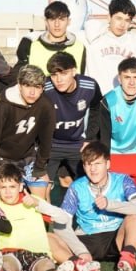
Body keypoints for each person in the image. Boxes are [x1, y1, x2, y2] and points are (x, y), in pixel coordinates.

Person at [0, 162, 92, 271]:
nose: (8, 192)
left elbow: (64, 218)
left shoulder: (32, 201)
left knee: (46, 265)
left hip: (38, 253)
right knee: (8, 265)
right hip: (10, 252)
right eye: (3, 187)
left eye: (12, 187)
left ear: (20, 187)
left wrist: (39, 204)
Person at [61, 141, 136, 271]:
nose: (93, 169)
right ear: (84, 167)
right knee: (51, 237)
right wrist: (80, 250)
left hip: (116, 237)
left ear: (107, 164)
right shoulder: (76, 187)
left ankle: (127, 260)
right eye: (89, 164)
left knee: (134, 216)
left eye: (98, 164)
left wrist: (110, 204)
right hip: (87, 239)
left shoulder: (123, 180)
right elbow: (62, 222)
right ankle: (80, 263)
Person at [0, 64, 55, 197]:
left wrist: (40, 167)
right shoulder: (3, 107)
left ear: (42, 88)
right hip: (0, 158)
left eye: (37, 87)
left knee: (43, 194)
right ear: (19, 85)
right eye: (27, 86)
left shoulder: (46, 106)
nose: (32, 92)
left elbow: (46, 139)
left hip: (26, 157)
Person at [42, 51, 103, 200]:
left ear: (74, 71)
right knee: (42, 188)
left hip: (77, 144)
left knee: (87, 187)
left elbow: (97, 109)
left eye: (63, 73)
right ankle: (47, 222)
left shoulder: (89, 86)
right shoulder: (45, 88)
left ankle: (81, 221)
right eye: (54, 75)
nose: (58, 79)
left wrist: (90, 139)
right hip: (52, 144)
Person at [90, 57, 136, 197]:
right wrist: (106, 164)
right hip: (115, 153)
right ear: (119, 79)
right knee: (113, 194)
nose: (131, 82)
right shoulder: (108, 101)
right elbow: (105, 138)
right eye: (127, 77)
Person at [84, 0, 136, 93]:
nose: (122, 24)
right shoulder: (92, 37)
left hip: (125, 101)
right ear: (109, 17)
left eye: (127, 20)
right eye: (118, 18)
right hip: (96, 101)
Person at [16, 0, 87, 74]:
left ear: (68, 21)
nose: (57, 24)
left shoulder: (79, 47)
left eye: (61, 19)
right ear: (46, 22)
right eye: (52, 19)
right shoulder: (31, 46)